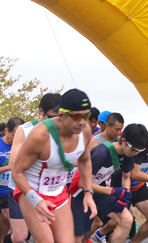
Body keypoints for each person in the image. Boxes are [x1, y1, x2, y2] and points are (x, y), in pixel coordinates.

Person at [11, 89, 96, 243]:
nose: (82, 122)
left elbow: (84, 160)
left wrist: (88, 193)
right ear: (62, 116)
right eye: (77, 116)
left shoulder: (85, 132)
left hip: (58, 192)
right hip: (31, 191)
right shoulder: (40, 135)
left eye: (86, 116)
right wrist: (36, 200)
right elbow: (16, 172)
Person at [91, 114, 148, 243]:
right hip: (121, 182)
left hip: (139, 185)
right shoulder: (141, 142)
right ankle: (101, 234)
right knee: (124, 218)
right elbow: (133, 174)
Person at [70, 123, 148, 243]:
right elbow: (82, 183)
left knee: (127, 219)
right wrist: (113, 191)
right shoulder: (101, 153)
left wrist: (125, 195)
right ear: (123, 141)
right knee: (77, 237)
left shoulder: (128, 153)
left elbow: (126, 177)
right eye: (134, 149)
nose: (136, 153)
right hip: (79, 193)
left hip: (98, 190)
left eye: (140, 151)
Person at [6, 93, 60, 243]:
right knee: (20, 236)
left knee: (46, 236)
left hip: (47, 190)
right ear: (41, 112)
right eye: (52, 117)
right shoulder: (24, 130)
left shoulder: (62, 130)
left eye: (60, 117)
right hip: (21, 188)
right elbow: (12, 165)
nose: (56, 122)